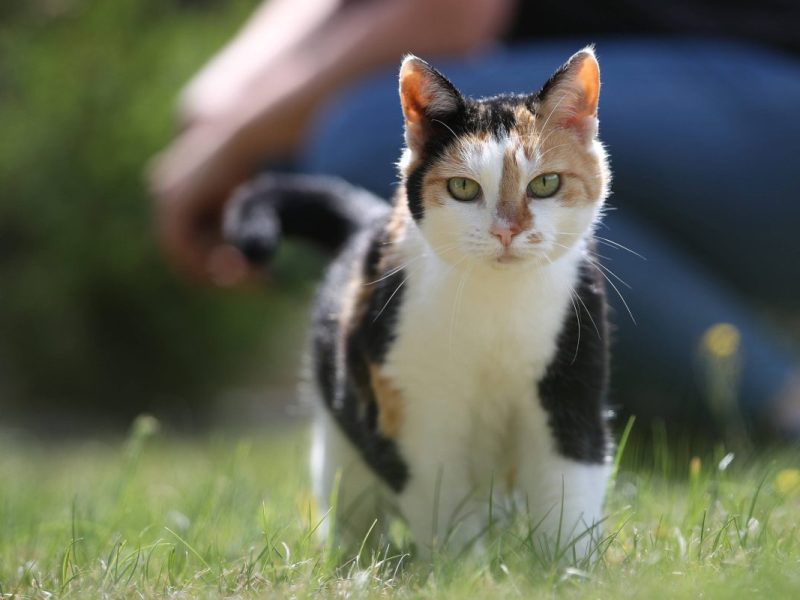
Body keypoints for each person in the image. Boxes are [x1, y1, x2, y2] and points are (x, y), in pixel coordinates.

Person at [150, 0, 800, 437]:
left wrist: (231, 142)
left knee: (379, 134)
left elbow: (453, 13)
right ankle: (623, 417)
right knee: (293, 160)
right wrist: (221, 116)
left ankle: (776, 403)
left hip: (770, 104)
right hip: (712, 114)